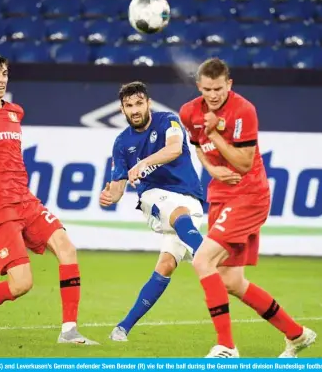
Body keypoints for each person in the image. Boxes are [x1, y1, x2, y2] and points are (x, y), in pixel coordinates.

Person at [0, 52, 98, 345]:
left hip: (26, 200)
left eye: (4, 74)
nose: (0, 80)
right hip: (0, 208)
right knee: (21, 284)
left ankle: (69, 331)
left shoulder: (15, 112)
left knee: (67, 249)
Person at [179, 58, 316, 358]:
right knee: (231, 281)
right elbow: (197, 146)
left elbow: (242, 163)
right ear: (198, 86)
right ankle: (297, 334)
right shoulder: (189, 112)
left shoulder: (244, 110)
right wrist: (212, 171)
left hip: (249, 195)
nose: (213, 95)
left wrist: (215, 132)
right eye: (206, 89)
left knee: (203, 262)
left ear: (229, 84)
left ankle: (226, 346)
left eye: (218, 88)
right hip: (220, 195)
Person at [99, 81, 241, 341]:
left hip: (192, 200)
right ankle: (214, 259)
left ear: (148, 103)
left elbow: (174, 148)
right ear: (122, 110)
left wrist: (143, 163)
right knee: (177, 213)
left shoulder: (168, 121)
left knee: (165, 265)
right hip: (155, 198)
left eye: (139, 103)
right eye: (129, 106)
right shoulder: (121, 143)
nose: (135, 110)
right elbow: (118, 186)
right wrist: (110, 195)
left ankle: (122, 328)